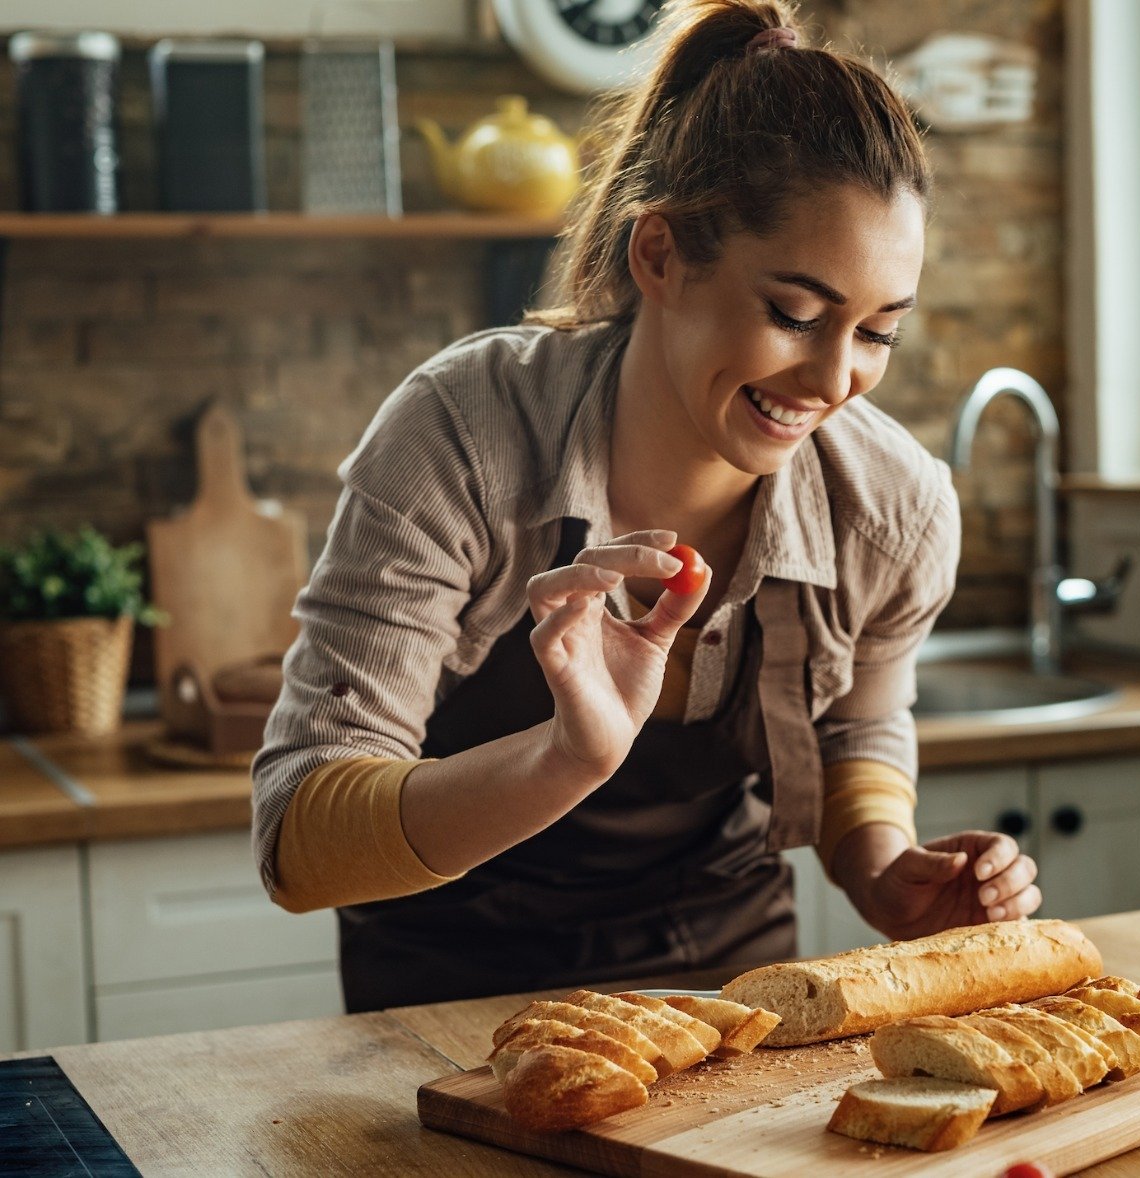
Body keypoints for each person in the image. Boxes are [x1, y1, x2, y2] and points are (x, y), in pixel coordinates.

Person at [251, 0, 1042, 1014]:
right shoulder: (461, 436)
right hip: (440, 994)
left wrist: (886, 872)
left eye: (877, 331)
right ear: (659, 256)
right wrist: (562, 758)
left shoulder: (892, 505)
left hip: (730, 981)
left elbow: (860, 732)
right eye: (794, 314)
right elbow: (299, 845)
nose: (834, 377)